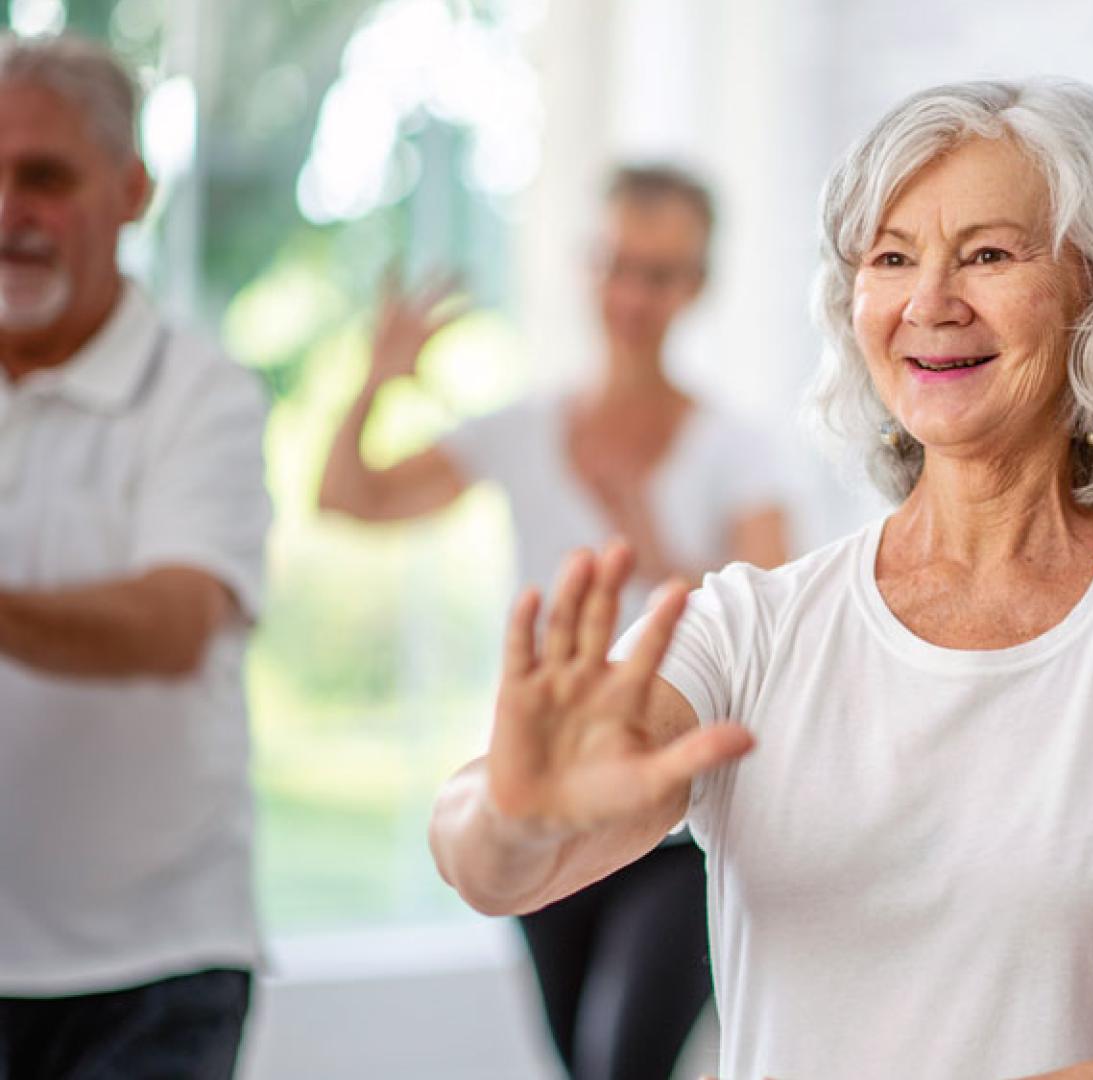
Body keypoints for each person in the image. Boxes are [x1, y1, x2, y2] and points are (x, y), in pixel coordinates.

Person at [429, 78, 1093, 1080]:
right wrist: (514, 817)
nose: (929, 302)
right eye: (892, 258)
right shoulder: (751, 625)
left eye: (989, 253)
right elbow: (488, 855)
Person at [319, 167, 787, 1079]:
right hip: (545, 792)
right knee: (580, 1062)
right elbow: (347, 497)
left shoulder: (737, 447)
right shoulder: (520, 430)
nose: (632, 294)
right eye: (616, 264)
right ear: (586, 268)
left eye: (660, 272)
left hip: (676, 818)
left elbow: (780, 619)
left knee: (622, 1063)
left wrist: (654, 543)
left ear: (696, 287)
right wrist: (375, 379)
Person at [0, 35, 271, 1078]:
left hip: (155, 973)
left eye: (45, 177)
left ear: (131, 190)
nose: (9, 211)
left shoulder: (202, 394)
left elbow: (174, 625)